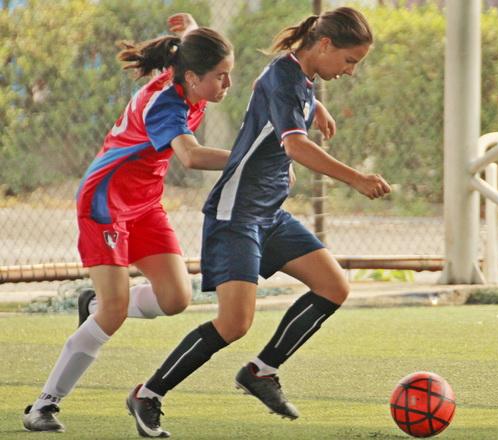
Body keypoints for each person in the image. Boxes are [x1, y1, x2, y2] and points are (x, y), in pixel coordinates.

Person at [125, 6, 390, 438]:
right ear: (325, 44)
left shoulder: (297, 77)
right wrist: (356, 178)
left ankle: (261, 371)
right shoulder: (285, 77)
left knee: (333, 286)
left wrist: (314, 103)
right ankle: (149, 394)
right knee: (234, 324)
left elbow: (267, 90)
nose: (350, 71)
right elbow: (296, 149)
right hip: (237, 214)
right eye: (349, 61)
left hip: (269, 212)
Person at [22, 14, 235, 433]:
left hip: (145, 204)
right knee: (116, 313)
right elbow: (190, 158)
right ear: (192, 77)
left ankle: (96, 305)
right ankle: (43, 406)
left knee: (176, 298)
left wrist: (190, 28)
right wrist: (252, 155)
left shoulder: (189, 71)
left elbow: (194, 44)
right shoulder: (167, 104)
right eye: (221, 77)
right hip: (105, 201)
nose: (227, 85)